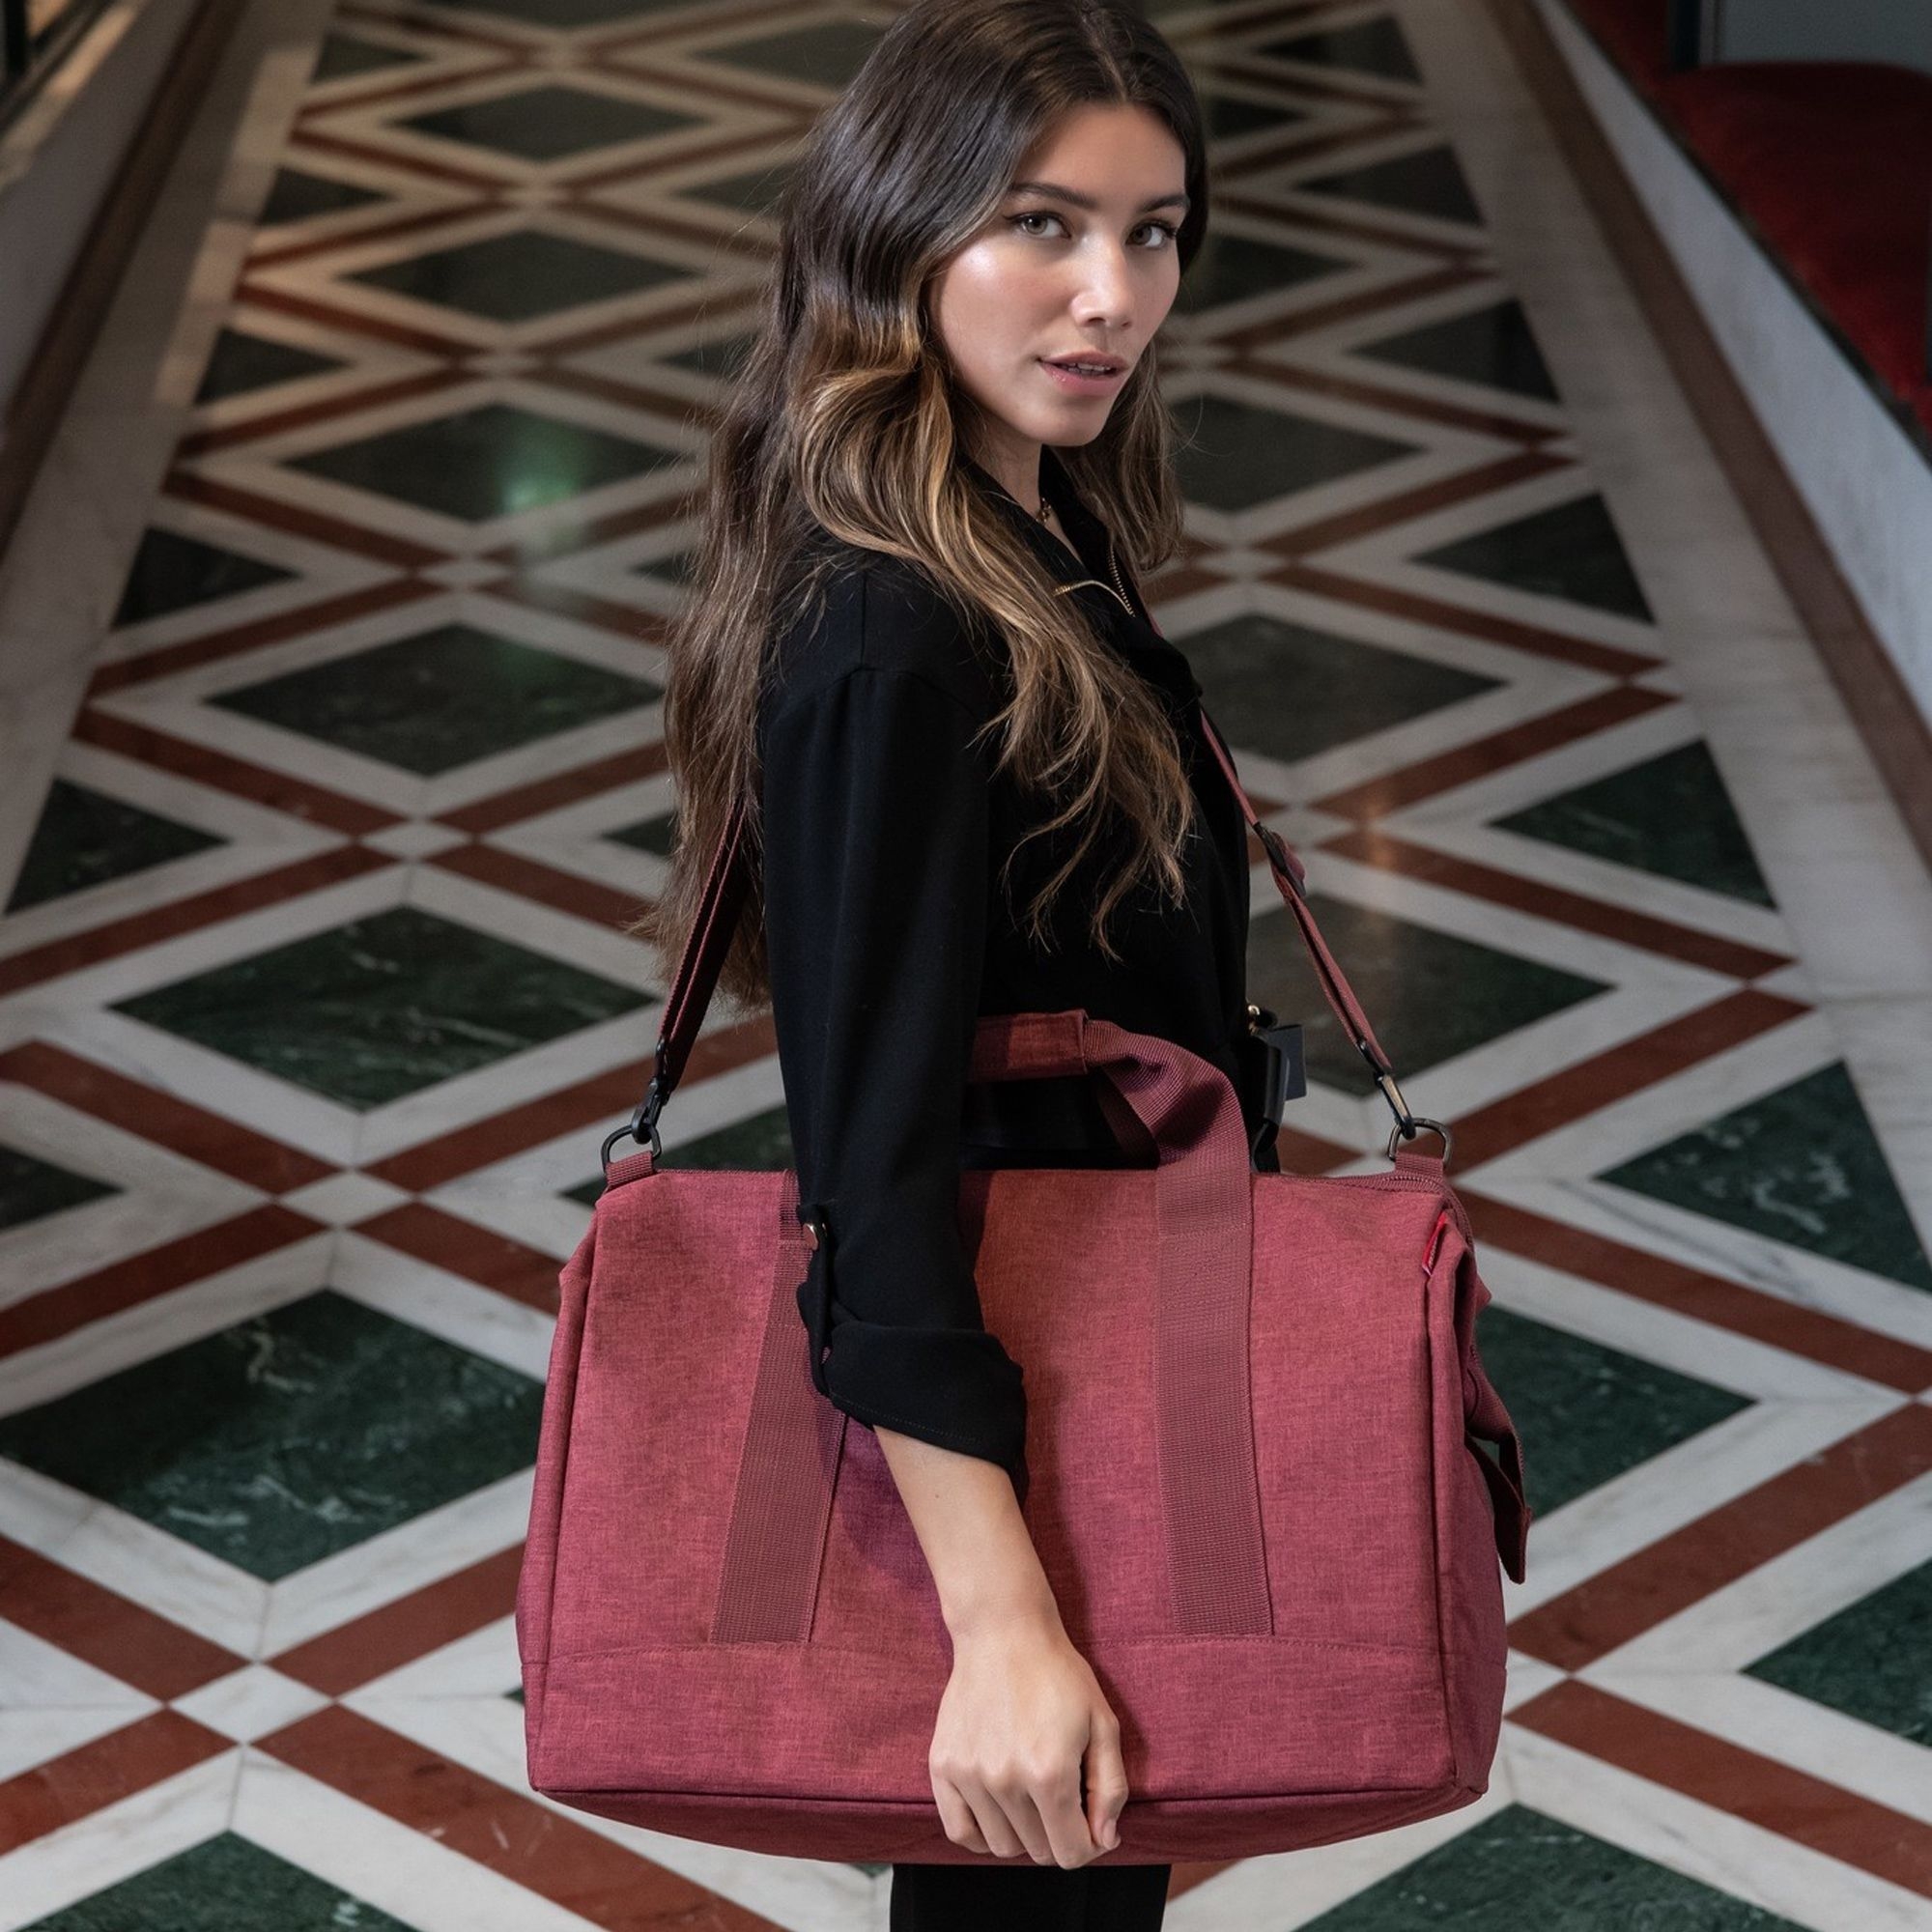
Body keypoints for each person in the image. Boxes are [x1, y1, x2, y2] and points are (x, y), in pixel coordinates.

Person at [639, 1, 1284, 1923]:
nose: (1111, 295)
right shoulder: (891, 637)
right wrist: (1001, 1621)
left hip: (1112, 1340)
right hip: (1026, 1411)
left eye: (1155, 231)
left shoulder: (1031, 514)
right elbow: (871, 1174)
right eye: (1040, 225)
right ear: (894, 232)